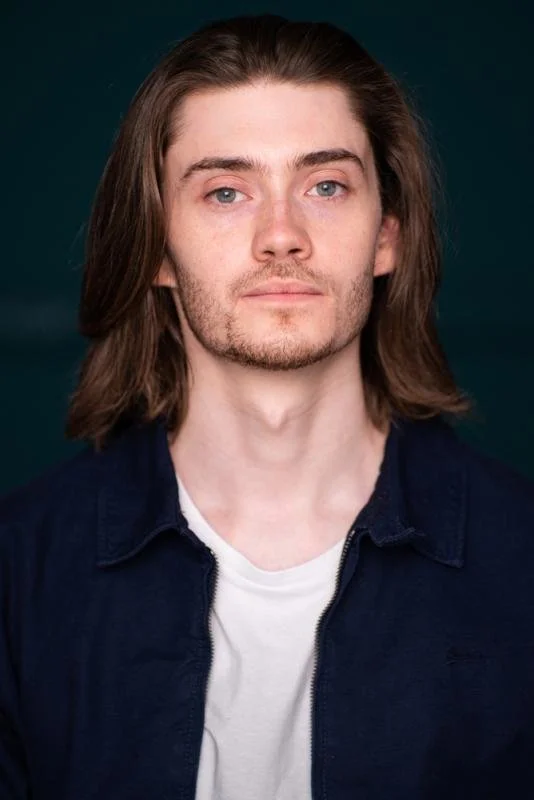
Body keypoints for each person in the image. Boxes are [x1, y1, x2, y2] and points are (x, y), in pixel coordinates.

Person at [1, 13, 533, 800]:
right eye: (225, 191)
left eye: (325, 186)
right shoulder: (19, 574)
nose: (280, 235)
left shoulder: (520, 560)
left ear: (386, 235)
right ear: (154, 247)